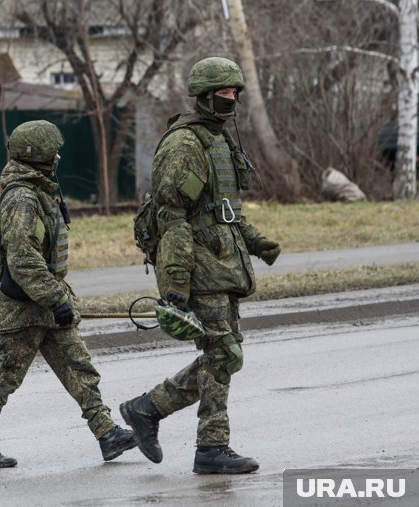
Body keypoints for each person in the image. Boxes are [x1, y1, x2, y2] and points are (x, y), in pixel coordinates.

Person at [119, 57, 281, 474]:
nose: (232, 101)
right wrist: (175, 286)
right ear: (206, 97)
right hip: (200, 269)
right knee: (223, 353)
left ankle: (146, 409)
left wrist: (256, 241)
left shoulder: (218, 140)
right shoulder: (184, 144)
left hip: (224, 265)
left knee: (223, 356)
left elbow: (224, 210)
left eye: (235, 94)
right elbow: (171, 218)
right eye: (225, 94)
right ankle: (210, 447)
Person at [0, 120, 136, 468]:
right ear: (38, 156)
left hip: (49, 300)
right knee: (6, 375)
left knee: (79, 366)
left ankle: (107, 434)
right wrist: (56, 299)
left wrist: (58, 298)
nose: (58, 156)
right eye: (53, 151)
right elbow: (23, 259)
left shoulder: (40, 190)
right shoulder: (22, 198)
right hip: (25, 306)